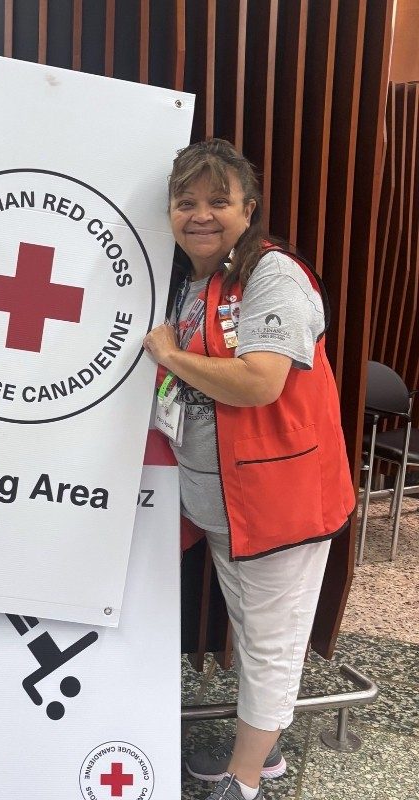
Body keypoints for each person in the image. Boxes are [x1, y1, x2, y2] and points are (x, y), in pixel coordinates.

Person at [143, 138, 355, 800]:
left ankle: (244, 779)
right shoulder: (195, 283)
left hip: (277, 507)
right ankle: (261, 752)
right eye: (186, 202)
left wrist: (171, 357)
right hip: (224, 508)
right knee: (255, 631)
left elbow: (261, 381)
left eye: (219, 200)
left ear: (249, 208)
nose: (200, 215)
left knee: (270, 645)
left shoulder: (272, 274)